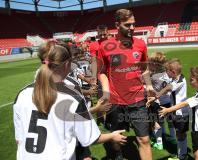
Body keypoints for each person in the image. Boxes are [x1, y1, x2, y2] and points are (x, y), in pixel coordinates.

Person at [13, 42, 127, 160]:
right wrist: (113, 136)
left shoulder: (22, 94)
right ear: (67, 64)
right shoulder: (72, 98)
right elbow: (91, 138)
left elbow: (19, 140)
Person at [97, 9, 155, 160]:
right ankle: (117, 154)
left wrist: (148, 86)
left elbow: (144, 68)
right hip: (115, 101)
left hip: (138, 100)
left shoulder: (141, 44)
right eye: (127, 25)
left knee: (144, 139)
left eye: (134, 24)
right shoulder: (105, 46)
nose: (132, 28)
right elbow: (101, 72)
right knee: (117, 137)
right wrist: (106, 91)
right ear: (117, 25)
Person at [160, 66, 198, 160]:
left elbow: (184, 103)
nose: (189, 81)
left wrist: (167, 110)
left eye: (191, 79)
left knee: (197, 152)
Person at [148, 52, 176, 151]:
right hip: (168, 101)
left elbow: (150, 89)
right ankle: (173, 138)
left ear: (155, 63)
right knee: (170, 121)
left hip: (157, 102)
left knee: (157, 122)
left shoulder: (153, 76)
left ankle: (159, 143)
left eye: (151, 61)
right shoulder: (167, 73)